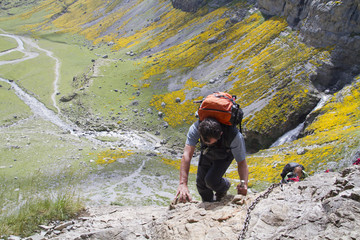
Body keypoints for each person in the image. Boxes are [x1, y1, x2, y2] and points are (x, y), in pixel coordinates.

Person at [175, 117, 249, 203]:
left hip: (225, 154)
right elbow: (187, 155)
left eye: (210, 142)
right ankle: (208, 203)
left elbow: (241, 162)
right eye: (205, 141)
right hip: (207, 152)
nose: (208, 143)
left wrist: (244, 184)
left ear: (220, 134)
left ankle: (224, 187)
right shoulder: (195, 128)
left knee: (211, 180)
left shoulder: (234, 137)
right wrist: (182, 183)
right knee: (201, 184)